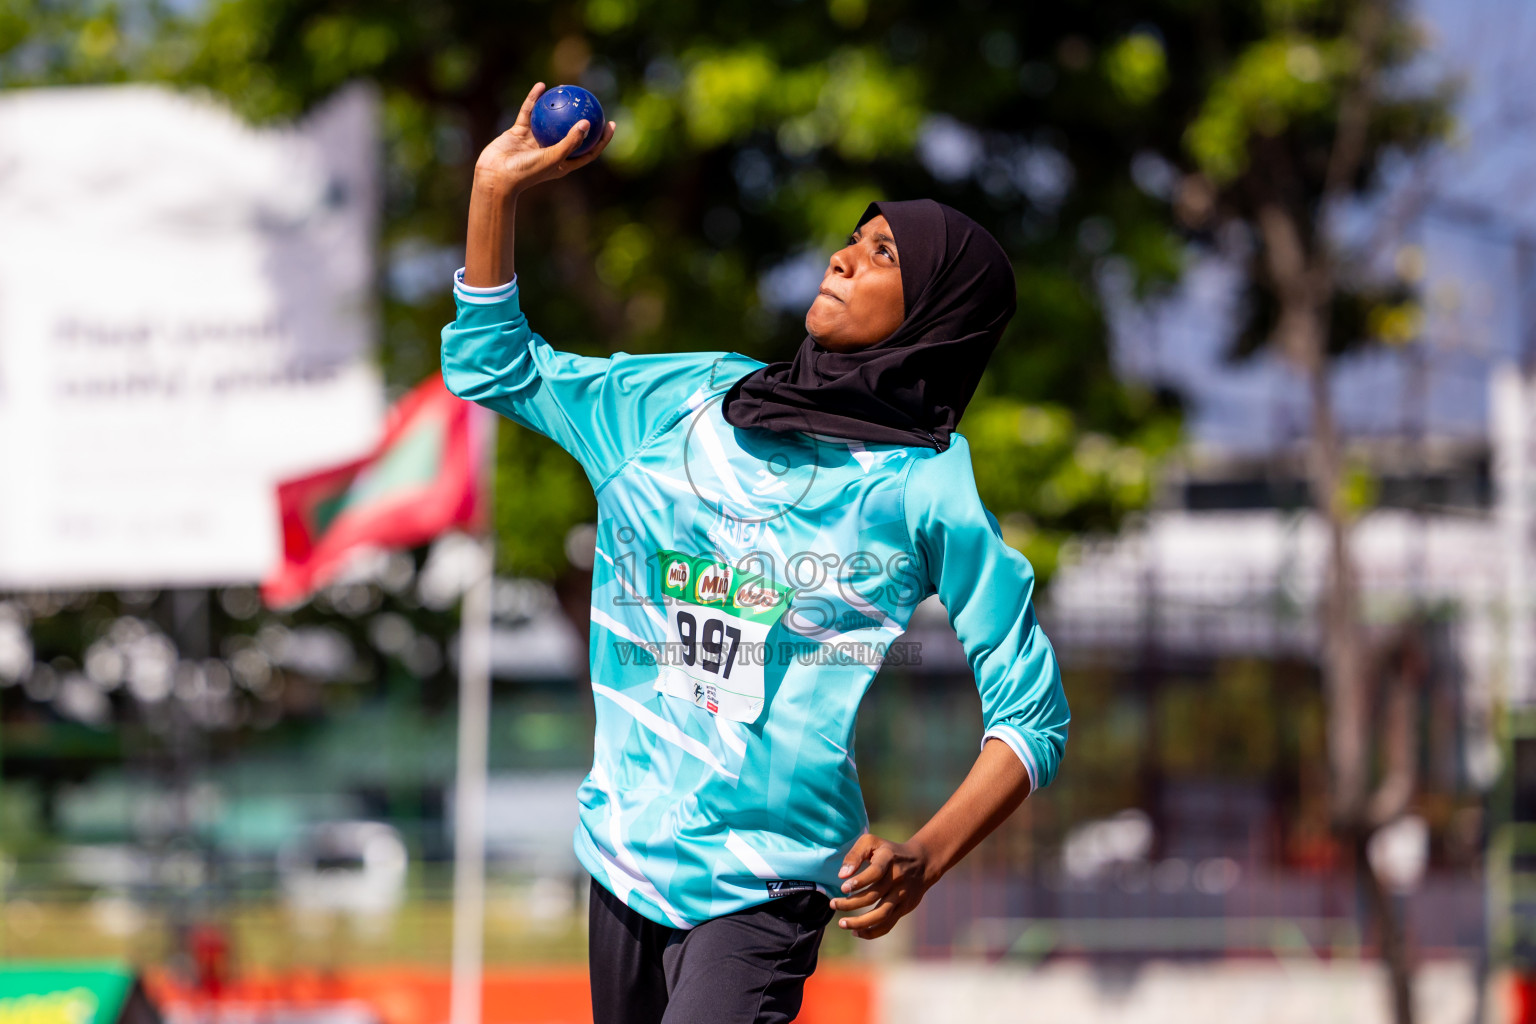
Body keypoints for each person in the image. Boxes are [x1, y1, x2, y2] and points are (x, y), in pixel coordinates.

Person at [441, 83, 1069, 1024]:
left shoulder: (922, 484)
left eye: (883, 253)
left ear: (937, 313)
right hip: (623, 855)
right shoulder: (686, 401)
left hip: (766, 884)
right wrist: (495, 192)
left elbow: (1033, 715)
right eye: (852, 238)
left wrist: (925, 858)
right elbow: (497, 364)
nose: (845, 258)